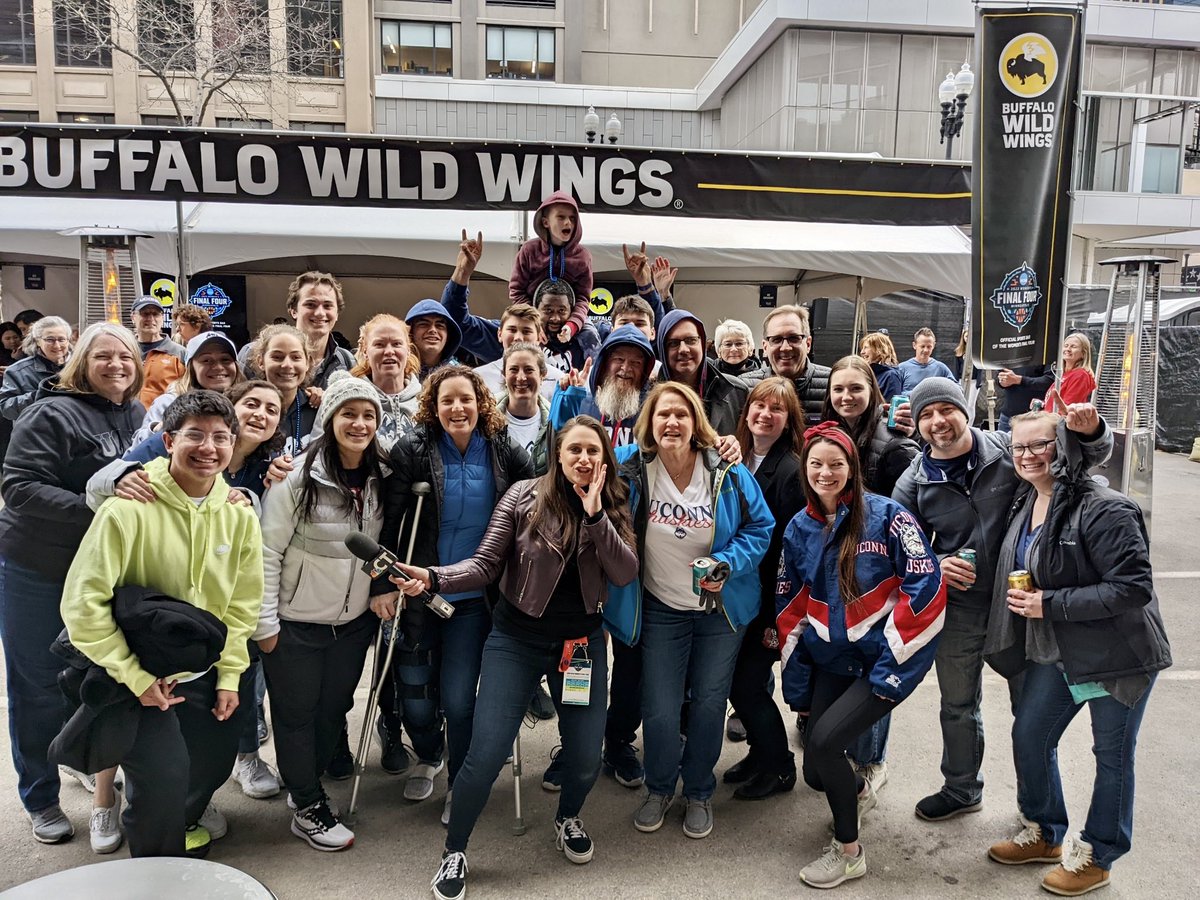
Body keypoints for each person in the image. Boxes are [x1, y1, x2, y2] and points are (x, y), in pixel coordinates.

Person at [388, 415, 638, 900]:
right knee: (483, 755)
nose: (584, 459)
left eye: (594, 451)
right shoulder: (523, 495)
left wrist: (594, 515)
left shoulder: (613, 502)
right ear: (557, 456)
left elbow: (625, 572)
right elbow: (484, 565)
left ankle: (567, 818)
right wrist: (434, 577)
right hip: (516, 641)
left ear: (604, 459)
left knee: (586, 757)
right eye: (575, 451)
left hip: (580, 648)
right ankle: (454, 850)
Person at [892, 377, 1112, 823]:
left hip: (1023, 600)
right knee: (957, 703)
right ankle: (961, 788)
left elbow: (1082, 456)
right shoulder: (914, 481)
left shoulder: (1009, 448)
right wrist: (937, 563)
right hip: (962, 606)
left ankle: (1036, 808)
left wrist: (1092, 430)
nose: (938, 422)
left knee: (1029, 711)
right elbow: (902, 548)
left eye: (946, 410)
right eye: (927, 415)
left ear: (964, 410)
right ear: (916, 424)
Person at [59, 390, 263, 859]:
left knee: (210, 767)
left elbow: (241, 604)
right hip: (137, 670)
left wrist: (230, 675)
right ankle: (156, 865)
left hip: (205, 669)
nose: (208, 448)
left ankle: (180, 823)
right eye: (194, 435)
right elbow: (82, 605)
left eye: (220, 438)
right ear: (168, 440)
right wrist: (134, 677)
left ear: (233, 445)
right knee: (162, 781)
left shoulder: (238, 514)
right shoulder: (128, 507)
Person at [982, 411, 1171, 896]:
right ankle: (1046, 832)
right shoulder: (1028, 499)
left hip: (1117, 654)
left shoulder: (1106, 507)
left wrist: (1050, 603)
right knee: (1030, 735)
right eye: (1018, 447)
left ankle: (1099, 855)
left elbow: (1132, 588)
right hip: (1060, 651)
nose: (1026, 456)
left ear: (1064, 447)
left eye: (1039, 445)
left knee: (1112, 755)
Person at [777, 421, 946, 889]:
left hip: (879, 665)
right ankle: (859, 788)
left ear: (852, 467)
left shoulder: (889, 516)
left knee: (827, 744)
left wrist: (891, 671)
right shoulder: (799, 527)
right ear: (805, 468)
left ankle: (849, 853)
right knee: (816, 770)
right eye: (816, 464)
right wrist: (799, 687)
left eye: (836, 464)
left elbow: (927, 589)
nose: (825, 473)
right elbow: (789, 607)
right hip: (833, 661)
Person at [0, 323, 144, 846]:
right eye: (103, 356)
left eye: (125, 356)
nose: (116, 365)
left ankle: (79, 758)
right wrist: (96, 506)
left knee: (88, 678)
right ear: (80, 362)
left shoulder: (135, 412)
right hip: (38, 569)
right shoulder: (50, 412)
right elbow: (17, 487)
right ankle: (40, 797)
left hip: (99, 570)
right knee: (36, 686)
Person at [611, 382, 773, 840]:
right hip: (661, 606)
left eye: (682, 414)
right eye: (663, 414)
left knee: (707, 703)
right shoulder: (631, 466)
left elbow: (761, 526)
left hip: (718, 612)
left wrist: (728, 562)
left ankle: (699, 790)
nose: (672, 423)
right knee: (660, 707)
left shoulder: (726, 469)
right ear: (650, 422)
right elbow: (575, 447)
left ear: (696, 421)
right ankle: (660, 787)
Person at [375, 366, 534, 823]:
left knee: (461, 699)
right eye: (447, 401)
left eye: (466, 399)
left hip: (474, 599)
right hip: (418, 593)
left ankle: (460, 784)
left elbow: (535, 509)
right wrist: (382, 583)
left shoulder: (505, 453)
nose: (457, 408)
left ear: (481, 403)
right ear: (434, 406)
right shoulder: (415, 450)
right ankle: (430, 754)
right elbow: (390, 521)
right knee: (417, 698)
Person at [256, 372, 388, 851]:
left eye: (368, 415)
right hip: (295, 623)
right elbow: (266, 553)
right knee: (295, 716)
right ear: (329, 418)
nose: (358, 423)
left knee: (334, 709)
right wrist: (266, 625)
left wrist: (380, 589)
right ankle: (309, 806)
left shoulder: (382, 476)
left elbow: (381, 548)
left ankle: (303, 785)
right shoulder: (296, 479)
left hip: (351, 624)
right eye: (348, 414)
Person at [723, 377, 805, 800]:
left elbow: (787, 551)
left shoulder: (790, 469)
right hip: (739, 595)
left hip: (769, 601)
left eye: (776, 409)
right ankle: (760, 755)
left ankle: (780, 766)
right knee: (741, 684)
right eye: (758, 406)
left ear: (788, 420)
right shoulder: (738, 457)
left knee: (747, 686)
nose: (764, 415)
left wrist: (777, 616)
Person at [439, 230, 584, 391]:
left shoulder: (584, 339)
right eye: (548, 309)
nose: (518, 338)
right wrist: (462, 272)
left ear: (539, 337)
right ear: (500, 334)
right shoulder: (485, 369)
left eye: (527, 331)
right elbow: (454, 321)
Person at [656, 309, 750, 450]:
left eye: (691, 340)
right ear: (662, 350)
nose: (683, 349)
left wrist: (736, 445)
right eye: (673, 343)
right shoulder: (649, 396)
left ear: (703, 343)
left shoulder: (736, 392)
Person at [509, 191, 595, 342]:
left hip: (569, 320)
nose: (568, 222)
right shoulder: (529, 250)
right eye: (561, 217)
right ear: (545, 222)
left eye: (572, 218)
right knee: (512, 332)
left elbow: (583, 298)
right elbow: (517, 291)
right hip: (530, 317)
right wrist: (534, 321)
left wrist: (572, 325)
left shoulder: (583, 256)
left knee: (591, 335)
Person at [137, 331, 245, 442]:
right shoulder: (168, 403)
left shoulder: (247, 406)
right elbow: (136, 452)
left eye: (225, 359)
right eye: (206, 360)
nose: (218, 367)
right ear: (191, 368)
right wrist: (158, 430)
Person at [351, 313, 421, 452]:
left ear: (407, 350)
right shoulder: (350, 398)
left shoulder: (425, 401)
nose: (389, 351)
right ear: (365, 352)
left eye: (396, 344)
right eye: (379, 345)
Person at [251, 323, 319, 459]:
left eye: (296, 357)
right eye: (277, 357)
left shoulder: (318, 409)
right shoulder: (246, 409)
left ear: (307, 363)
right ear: (261, 362)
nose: (287, 365)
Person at [759, 305, 830, 422]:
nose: (785, 347)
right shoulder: (746, 388)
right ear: (765, 347)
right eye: (776, 339)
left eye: (794, 338)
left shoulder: (833, 385)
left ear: (808, 344)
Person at [0, 315, 72, 423]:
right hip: (37, 435)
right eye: (50, 340)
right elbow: (7, 409)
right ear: (38, 341)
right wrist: (40, 394)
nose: (57, 346)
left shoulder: (81, 366)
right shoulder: (17, 371)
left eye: (61, 339)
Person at [498, 342, 554, 475]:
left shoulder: (555, 422)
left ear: (542, 374)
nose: (521, 377)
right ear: (504, 375)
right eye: (513, 370)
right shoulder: (485, 416)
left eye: (529, 370)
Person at [131, 295, 185, 408]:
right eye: (145, 314)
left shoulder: (179, 354)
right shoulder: (126, 351)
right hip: (128, 421)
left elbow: (187, 393)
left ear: (162, 318)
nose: (150, 319)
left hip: (163, 421)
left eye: (155, 314)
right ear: (133, 317)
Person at [406, 298, 464, 381]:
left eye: (440, 325)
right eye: (424, 324)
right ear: (410, 333)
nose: (433, 330)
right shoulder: (399, 371)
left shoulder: (460, 376)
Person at [1044, 333, 1096, 412]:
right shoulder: (1064, 374)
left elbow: (1067, 408)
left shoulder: (1080, 375)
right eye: (1066, 345)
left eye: (1073, 346)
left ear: (1083, 353)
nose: (1068, 349)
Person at [995, 364, 1054, 432]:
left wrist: (1019, 380)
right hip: (1008, 416)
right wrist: (1002, 382)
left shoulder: (1046, 354)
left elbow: (1049, 381)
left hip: (1035, 417)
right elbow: (999, 376)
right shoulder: (1009, 354)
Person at [857, 332, 904, 402]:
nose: (862, 352)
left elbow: (891, 406)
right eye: (862, 348)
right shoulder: (866, 373)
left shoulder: (891, 375)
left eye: (866, 348)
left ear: (879, 349)